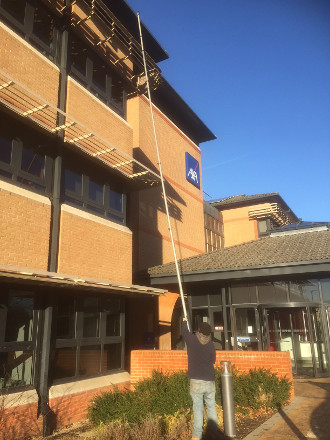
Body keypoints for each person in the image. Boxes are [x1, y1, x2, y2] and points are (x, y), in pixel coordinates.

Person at [182, 317, 218, 440]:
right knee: (211, 406)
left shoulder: (192, 340)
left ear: (198, 330)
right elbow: (213, 360)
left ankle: (197, 436)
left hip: (196, 381)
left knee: (197, 408)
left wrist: (184, 321)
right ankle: (214, 434)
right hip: (209, 380)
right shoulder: (211, 345)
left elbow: (184, 332)